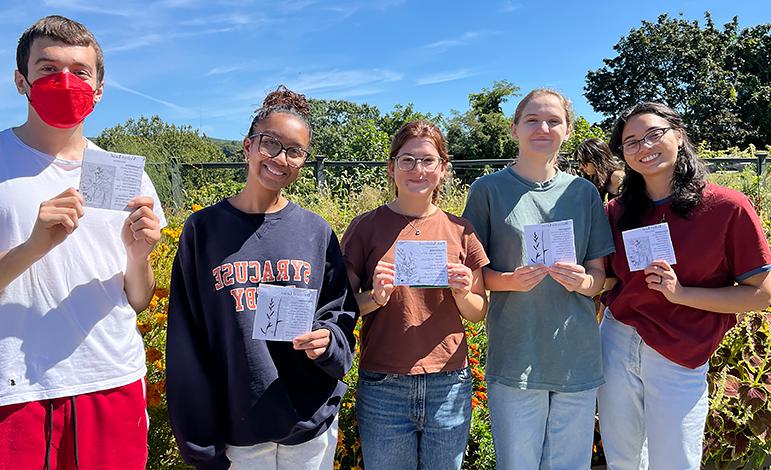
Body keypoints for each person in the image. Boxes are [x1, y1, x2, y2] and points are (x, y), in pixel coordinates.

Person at [0, 15, 164, 469]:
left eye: (80, 72)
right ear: (21, 81)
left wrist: (139, 257)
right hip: (15, 391)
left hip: (114, 382)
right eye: (47, 69)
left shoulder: (128, 175)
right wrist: (30, 249)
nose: (65, 81)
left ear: (99, 88)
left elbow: (137, 299)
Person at [166, 86, 358, 470]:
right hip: (238, 433)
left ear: (303, 161)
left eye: (295, 151)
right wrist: (200, 443)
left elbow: (340, 315)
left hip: (310, 429)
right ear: (247, 147)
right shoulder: (203, 231)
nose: (280, 159)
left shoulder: (315, 232)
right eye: (270, 144)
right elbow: (186, 339)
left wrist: (328, 341)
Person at [598, 102, 771, 470]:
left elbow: (762, 291)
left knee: (675, 460)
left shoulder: (727, 207)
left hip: (680, 349)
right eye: (631, 142)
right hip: (618, 340)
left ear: (678, 134)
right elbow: (610, 278)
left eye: (653, 134)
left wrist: (681, 294)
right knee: (623, 459)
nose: (643, 147)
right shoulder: (617, 211)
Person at [462, 89, 615, 470]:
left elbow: (601, 277)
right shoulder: (487, 191)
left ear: (568, 130)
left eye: (553, 121)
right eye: (532, 120)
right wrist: (510, 281)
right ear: (514, 129)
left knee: (570, 465)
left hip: (575, 354)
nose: (542, 128)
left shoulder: (584, 194)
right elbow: (474, 275)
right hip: (516, 353)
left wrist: (582, 282)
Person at [341, 120, 489, 470]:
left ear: (443, 169)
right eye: (407, 160)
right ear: (392, 168)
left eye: (427, 160)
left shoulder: (460, 230)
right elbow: (342, 307)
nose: (417, 170)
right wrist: (375, 297)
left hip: (449, 382)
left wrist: (462, 292)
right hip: (383, 384)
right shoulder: (365, 227)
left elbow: (478, 311)